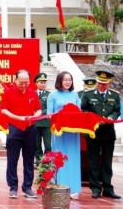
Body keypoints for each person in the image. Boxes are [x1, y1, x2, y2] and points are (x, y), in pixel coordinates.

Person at [0, 69, 41, 199]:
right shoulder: (8, 92)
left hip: (30, 128)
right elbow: (4, 110)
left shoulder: (33, 93)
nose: (23, 85)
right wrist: (18, 118)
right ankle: (13, 187)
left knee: (29, 159)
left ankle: (27, 187)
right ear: (15, 80)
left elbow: (39, 110)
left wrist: (33, 117)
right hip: (14, 128)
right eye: (21, 82)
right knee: (12, 158)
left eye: (26, 82)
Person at [81, 70, 121, 199]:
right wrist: (94, 118)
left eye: (104, 84)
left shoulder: (114, 96)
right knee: (93, 161)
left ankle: (108, 188)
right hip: (93, 132)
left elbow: (116, 111)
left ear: (109, 83)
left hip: (108, 132)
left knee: (107, 161)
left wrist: (110, 117)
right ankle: (95, 188)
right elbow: (84, 110)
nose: (101, 86)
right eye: (99, 83)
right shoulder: (88, 94)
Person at [46, 71, 81, 200]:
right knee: (59, 158)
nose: (68, 82)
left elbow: (79, 113)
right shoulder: (53, 95)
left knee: (73, 158)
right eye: (65, 79)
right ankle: (59, 185)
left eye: (70, 80)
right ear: (59, 80)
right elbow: (50, 114)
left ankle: (74, 188)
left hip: (73, 132)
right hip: (59, 132)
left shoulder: (75, 95)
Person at [34, 73, 51, 167]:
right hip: (35, 123)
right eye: (41, 82)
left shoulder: (49, 95)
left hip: (46, 123)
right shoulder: (32, 94)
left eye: (44, 82)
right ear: (36, 83)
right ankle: (39, 162)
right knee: (36, 145)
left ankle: (46, 162)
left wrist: (40, 112)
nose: (43, 84)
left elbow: (50, 108)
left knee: (48, 144)